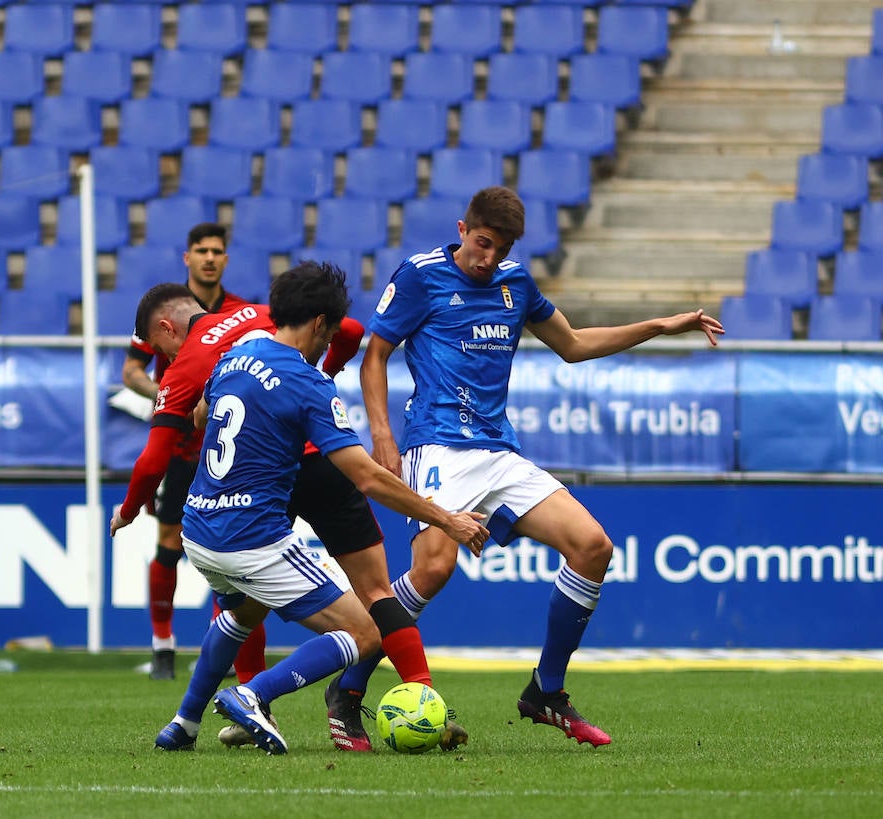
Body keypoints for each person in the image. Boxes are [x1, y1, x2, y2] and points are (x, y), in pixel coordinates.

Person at [356, 186, 725, 746]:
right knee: (434, 568)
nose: (488, 259)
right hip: (435, 444)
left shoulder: (516, 283)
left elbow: (573, 344)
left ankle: (545, 692)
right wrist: (383, 435)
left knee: (593, 546)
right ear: (463, 229)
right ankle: (351, 682)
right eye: (482, 244)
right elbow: (376, 353)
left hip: (498, 451)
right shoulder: (419, 275)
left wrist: (658, 326)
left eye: (499, 250)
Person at [119, 262, 488, 754]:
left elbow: (202, 412)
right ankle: (254, 694)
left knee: (237, 613)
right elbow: (366, 475)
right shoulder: (307, 381)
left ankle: (183, 724)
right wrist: (446, 519)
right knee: (366, 627)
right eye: (329, 333)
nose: (328, 343)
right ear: (319, 324)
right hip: (251, 537)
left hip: (199, 530)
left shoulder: (234, 355)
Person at [121, 223, 255, 682]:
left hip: (233, 449)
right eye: (202, 250)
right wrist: (167, 395)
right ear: (188, 257)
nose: (210, 258)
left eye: (218, 251)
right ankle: (162, 646)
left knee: (229, 550)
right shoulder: (164, 311)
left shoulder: (239, 310)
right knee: (169, 544)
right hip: (181, 446)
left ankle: (221, 648)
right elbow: (130, 371)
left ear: (226, 259)